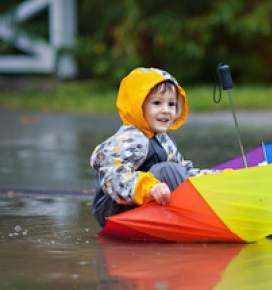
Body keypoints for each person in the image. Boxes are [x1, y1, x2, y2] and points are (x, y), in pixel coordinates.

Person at [90, 67, 214, 227]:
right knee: (166, 171)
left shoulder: (164, 140)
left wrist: (215, 178)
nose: (166, 110)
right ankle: (200, 215)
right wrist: (150, 187)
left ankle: (204, 205)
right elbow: (113, 177)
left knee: (174, 170)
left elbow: (184, 172)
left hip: (145, 203)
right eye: (157, 103)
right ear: (138, 106)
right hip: (114, 209)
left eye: (171, 104)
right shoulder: (132, 139)